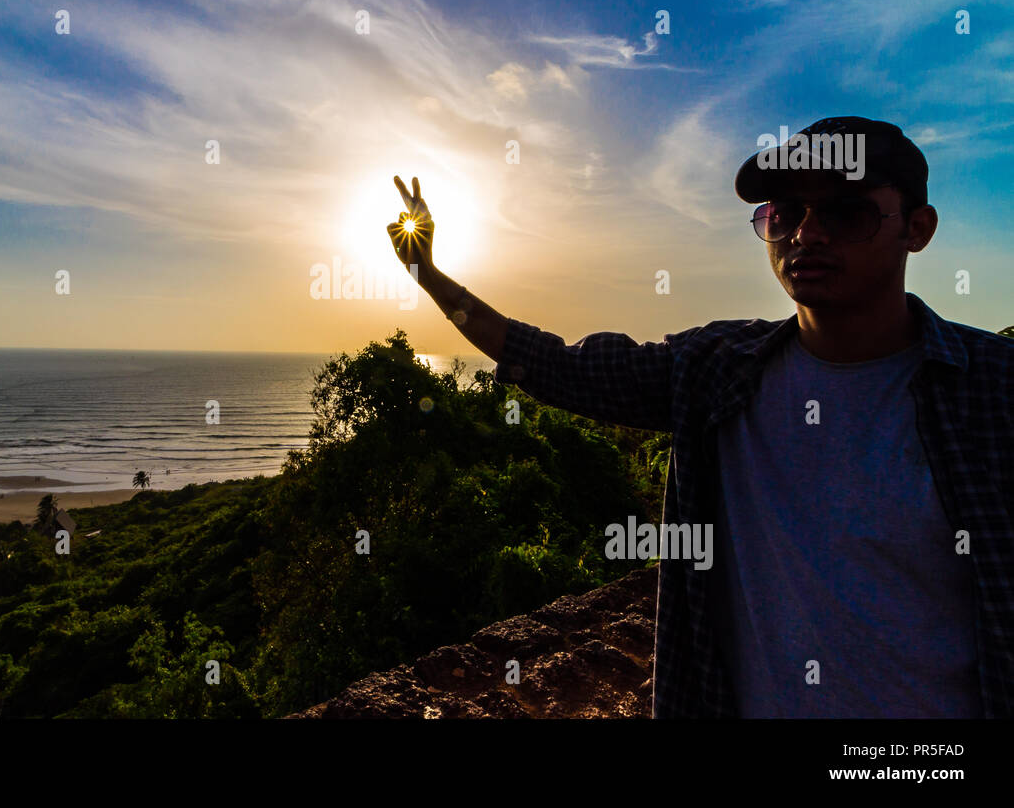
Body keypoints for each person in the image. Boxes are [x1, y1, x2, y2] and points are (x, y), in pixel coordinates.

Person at [387, 116, 1014, 718]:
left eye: (846, 212)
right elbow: (553, 365)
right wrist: (429, 276)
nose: (806, 234)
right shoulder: (715, 370)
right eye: (786, 213)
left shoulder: (994, 388)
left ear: (918, 228)